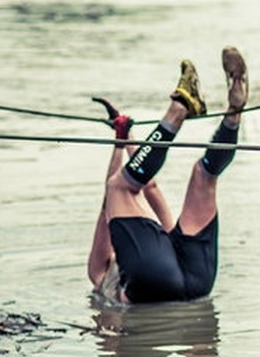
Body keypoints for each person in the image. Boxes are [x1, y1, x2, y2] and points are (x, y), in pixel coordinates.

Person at [87, 47, 250, 304]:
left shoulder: (100, 275)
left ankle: (193, 110)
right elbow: (143, 187)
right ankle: (233, 112)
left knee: (201, 176)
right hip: (188, 274)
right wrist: (125, 141)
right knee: (203, 175)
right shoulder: (156, 242)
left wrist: (122, 141)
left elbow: (109, 205)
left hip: (192, 284)